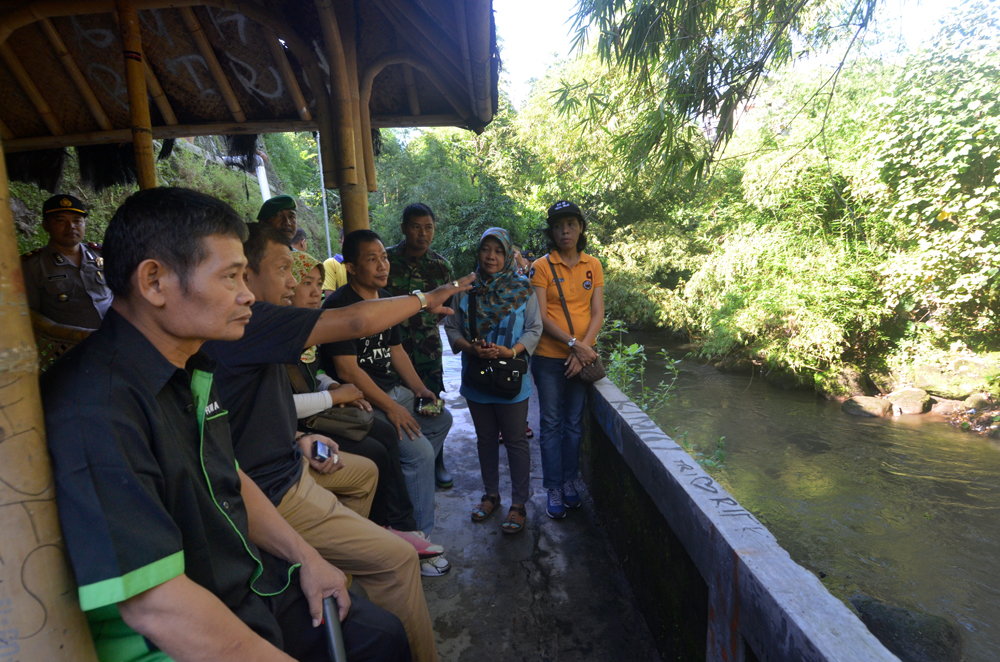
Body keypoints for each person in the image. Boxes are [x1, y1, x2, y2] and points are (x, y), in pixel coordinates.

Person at [42, 187, 409, 662]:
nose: (246, 294)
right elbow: (155, 606)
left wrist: (307, 557)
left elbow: (227, 475)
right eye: (231, 277)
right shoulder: (95, 408)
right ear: (154, 281)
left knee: (382, 636)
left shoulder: (188, 361)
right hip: (181, 634)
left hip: (248, 586)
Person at [203, 224, 469, 662]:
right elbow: (353, 326)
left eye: (302, 276)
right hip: (274, 490)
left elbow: (243, 412)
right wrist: (426, 298)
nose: (296, 283)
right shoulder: (251, 323)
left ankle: (343, 570)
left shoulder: (251, 327)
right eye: (285, 270)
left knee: (366, 470)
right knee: (397, 558)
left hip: (290, 461)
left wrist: (300, 436)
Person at [288, 251, 444, 559]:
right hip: (310, 424)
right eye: (305, 282)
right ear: (351, 268)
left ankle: (403, 507)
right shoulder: (327, 312)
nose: (315, 291)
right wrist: (336, 394)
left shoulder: (315, 319)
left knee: (434, 423)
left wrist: (331, 386)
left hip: (341, 403)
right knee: (390, 447)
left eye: (318, 283)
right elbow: (343, 370)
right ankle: (409, 530)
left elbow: (315, 371)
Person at [320, 230, 454, 577]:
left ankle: (401, 479)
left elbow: (396, 352)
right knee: (421, 453)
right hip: (364, 401)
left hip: (395, 390)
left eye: (384, 256)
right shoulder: (338, 306)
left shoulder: (386, 298)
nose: (382, 265)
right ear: (350, 266)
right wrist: (392, 408)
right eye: (371, 258)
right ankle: (419, 540)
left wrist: (421, 389)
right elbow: (347, 369)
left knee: (440, 420)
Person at [445, 228, 542, 534]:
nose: (491, 256)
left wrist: (509, 350)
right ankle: (490, 496)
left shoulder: (523, 288)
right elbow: (452, 328)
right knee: (486, 439)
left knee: (515, 442)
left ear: (507, 254)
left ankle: (518, 504)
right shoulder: (467, 289)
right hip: (477, 377)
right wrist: (470, 348)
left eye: (498, 251)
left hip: (512, 378)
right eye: (486, 249)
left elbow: (534, 328)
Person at [529, 200, 605, 520]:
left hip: (580, 358)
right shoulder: (541, 267)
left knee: (574, 424)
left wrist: (583, 351)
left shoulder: (593, 265)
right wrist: (575, 344)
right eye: (559, 225)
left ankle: (571, 481)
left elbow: (597, 312)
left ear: (580, 228)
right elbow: (540, 317)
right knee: (550, 424)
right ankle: (554, 487)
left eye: (571, 224)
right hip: (548, 358)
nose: (565, 230)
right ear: (552, 231)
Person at [385, 203, 454, 488]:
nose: (423, 233)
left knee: (432, 407)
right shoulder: (386, 261)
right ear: (403, 228)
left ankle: (436, 461)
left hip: (427, 351)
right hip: (390, 351)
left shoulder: (441, 266)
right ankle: (400, 466)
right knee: (394, 410)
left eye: (429, 227)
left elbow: (442, 311)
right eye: (416, 227)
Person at [21, 194, 113, 328]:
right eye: (60, 220)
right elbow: (30, 314)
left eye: (77, 221)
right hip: (70, 343)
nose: (71, 226)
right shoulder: (32, 265)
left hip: (117, 337)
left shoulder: (104, 254)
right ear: (45, 225)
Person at [323, 227, 348, 296]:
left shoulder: (365, 264)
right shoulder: (331, 264)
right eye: (347, 240)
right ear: (341, 242)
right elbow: (329, 297)